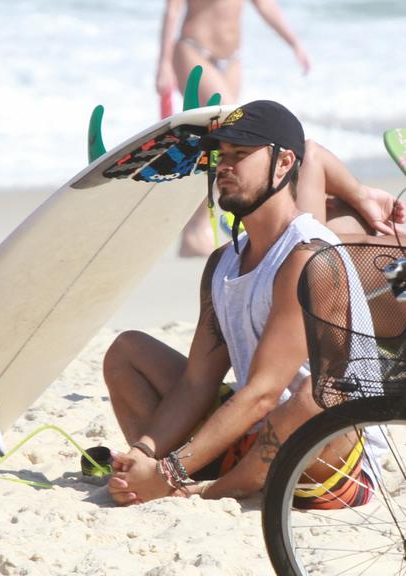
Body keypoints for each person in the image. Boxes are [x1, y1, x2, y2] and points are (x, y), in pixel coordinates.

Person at [103, 100, 405, 506]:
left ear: (283, 164)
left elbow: (266, 391)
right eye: (221, 156)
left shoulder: (309, 256)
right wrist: (144, 452)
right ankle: (165, 475)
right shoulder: (221, 263)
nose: (224, 167)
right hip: (254, 435)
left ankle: (211, 487)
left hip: (330, 454)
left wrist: (170, 470)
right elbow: (197, 381)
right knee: (128, 352)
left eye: (241, 155)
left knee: (315, 396)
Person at [156, 0, 311, 257]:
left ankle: (197, 228)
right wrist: (163, 64)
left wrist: (294, 42)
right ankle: (198, 227)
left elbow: (265, 6)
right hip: (192, 50)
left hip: (231, 60)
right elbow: (172, 10)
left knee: (221, 139)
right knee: (229, 127)